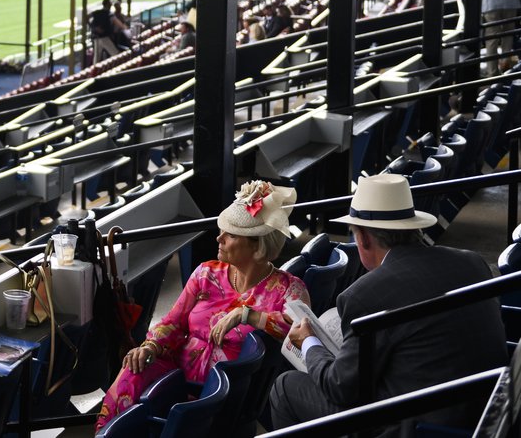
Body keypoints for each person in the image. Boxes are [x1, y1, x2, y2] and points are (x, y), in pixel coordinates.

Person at [270, 174, 505, 437]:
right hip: (489, 410)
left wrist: (309, 343)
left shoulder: (364, 295)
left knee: (284, 389)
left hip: (415, 426)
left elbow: (339, 387)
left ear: (365, 240)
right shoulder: (472, 262)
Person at [96, 181, 307, 430]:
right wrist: (150, 346)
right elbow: (173, 322)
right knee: (132, 370)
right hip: (179, 374)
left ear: (257, 246)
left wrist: (249, 315)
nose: (219, 238)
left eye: (231, 234)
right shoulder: (206, 273)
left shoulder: (288, 289)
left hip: (224, 397)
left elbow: (303, 335)